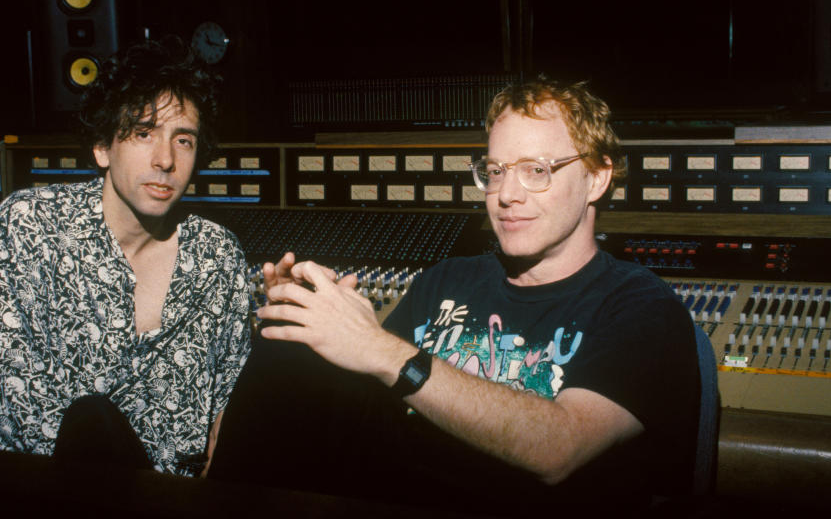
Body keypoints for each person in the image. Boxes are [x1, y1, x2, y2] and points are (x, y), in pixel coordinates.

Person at [209, 77, 699, 514]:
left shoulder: (643, 309)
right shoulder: (444, 282)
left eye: (536, 170)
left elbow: (559, 448)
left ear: (596, 177)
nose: (507, 194)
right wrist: (308, 319)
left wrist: (380, 348)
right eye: (496, 170)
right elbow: (368, 412)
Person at [0, 38, 252, 477]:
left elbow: (228, 407)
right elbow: (10, 395)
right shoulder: (33, 222)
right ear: (103, 147)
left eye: (183, 140)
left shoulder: (217, 256)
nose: (165, 160)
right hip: (14, 481)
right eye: (144, 133)